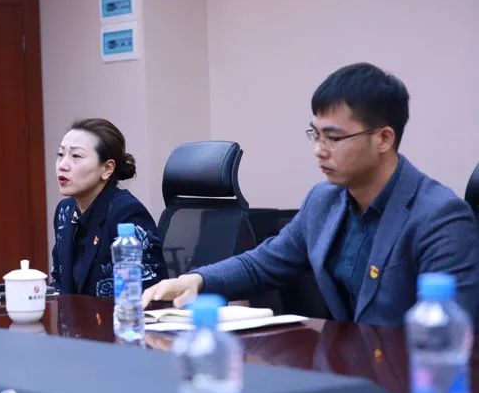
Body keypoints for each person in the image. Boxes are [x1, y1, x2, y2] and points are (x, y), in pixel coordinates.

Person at [142, 63, 479, 326]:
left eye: (333, 138)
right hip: (348, 370)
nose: (319, 150)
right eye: (315, 135)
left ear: (383, 139)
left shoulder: (439, 217)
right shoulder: (323, 200)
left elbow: (452, 332)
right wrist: (197, 280)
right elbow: (263, 263)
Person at [50, 118, 167, 297]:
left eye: (76, 156)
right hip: (76, 315)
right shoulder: (65, 212)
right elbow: (59, 282)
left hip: (121, 314)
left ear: (107, 169)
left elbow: (146, 293)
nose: (63, 165)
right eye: (60, 154)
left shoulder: (126, 213)